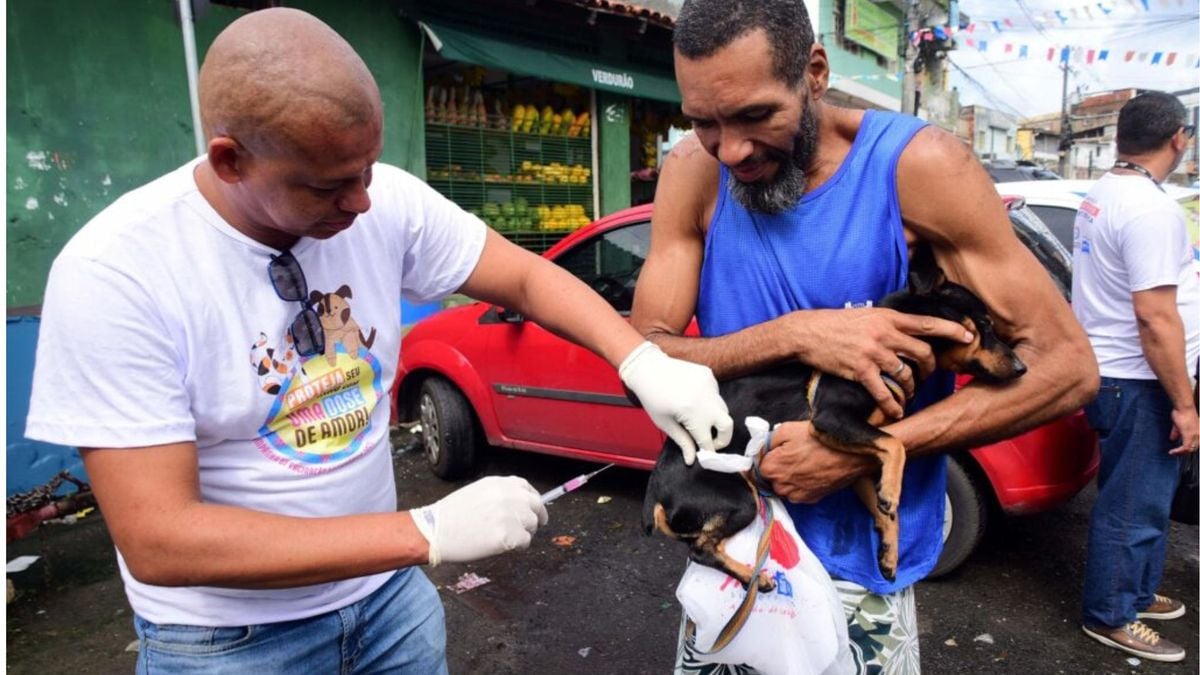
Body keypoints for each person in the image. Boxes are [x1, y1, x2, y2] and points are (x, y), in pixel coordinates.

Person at [23, 8, 734, 674]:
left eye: (368, 169)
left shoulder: (379, 201)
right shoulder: (118, 274)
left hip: (388, 604)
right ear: (231, 160)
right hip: (228, 641)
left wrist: (640, 360)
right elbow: (160, 538)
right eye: (331, 186)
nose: (362, 202)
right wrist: (422, 531)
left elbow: (524, 279)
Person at [630, 0, 1097, 671]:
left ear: (814, 73)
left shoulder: (918, 168)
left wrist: (868, 452)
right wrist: (798, 334)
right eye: (704, 121)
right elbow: (641, 356)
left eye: (757, 116)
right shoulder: (694, 172)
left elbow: (1068, 368)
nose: (731, 149)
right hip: (740, 558)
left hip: (860, 571)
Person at [1072, 90, 1199, 664]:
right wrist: (1185, 403)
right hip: (1139, 379)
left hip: (1120, 373)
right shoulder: (1151, 209)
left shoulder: (1104, 194)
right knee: (1132, 503)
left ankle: (1138, 593)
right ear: (1178, 138)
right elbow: (1154, 316)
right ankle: (1111, 613)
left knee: (1145, 498)